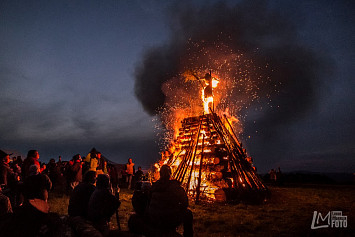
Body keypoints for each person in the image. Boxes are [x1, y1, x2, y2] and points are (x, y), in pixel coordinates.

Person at [129, 165, 193, 237]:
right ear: (170, 174)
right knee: (188, 213)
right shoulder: (177, 187)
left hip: (154, 218)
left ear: (160, 174)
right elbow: (185, 204)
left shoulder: (154, 186)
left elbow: (148, 202)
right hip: (170, 220)